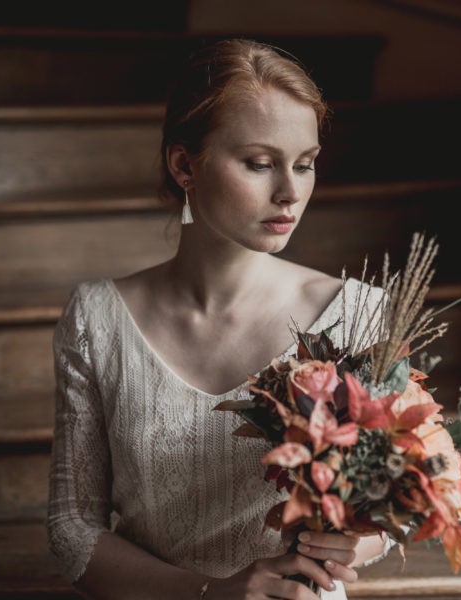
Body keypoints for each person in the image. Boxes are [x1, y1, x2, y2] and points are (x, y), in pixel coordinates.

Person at [47, 38, 392, 600]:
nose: (290, 192)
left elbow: (395, 497)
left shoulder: (356, 316)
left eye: (305, 165)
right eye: (260, 163)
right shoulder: (96, 320)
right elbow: (72, 530)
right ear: (185, 164)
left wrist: (363, 538)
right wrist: (211, 593)